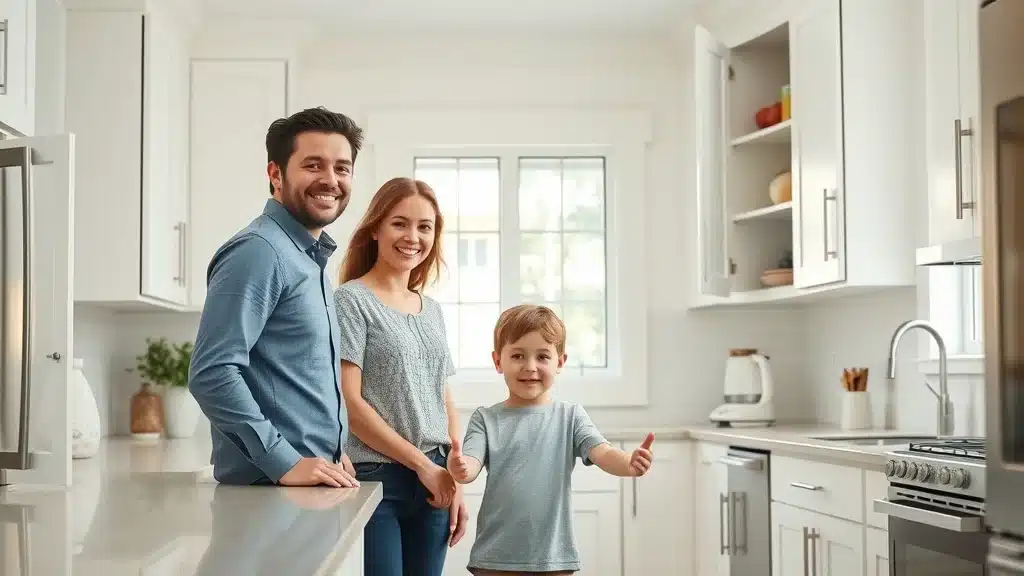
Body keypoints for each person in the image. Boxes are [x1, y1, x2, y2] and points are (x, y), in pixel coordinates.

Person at [189, 106, 364, 487]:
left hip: (307, 486)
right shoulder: (260, 251)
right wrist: (283, 461)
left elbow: (294, 376)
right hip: (269, 492)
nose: (330, 180)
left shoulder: (306, 257)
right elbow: (212, 372)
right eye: (313, 165)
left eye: (342, 168)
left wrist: (332, 450)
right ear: (275, 174)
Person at [446, 304, 656, 575]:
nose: (530, 367)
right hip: (495, 558)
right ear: (498, 361)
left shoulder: (571, 417)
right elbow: (470, 465)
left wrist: (628, 463)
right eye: (518, 355)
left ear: (560, 362)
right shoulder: (485, 419)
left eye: (543, 356)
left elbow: (602, 453)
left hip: (554, 558)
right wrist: (460, 467)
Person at [334, 177, 467, 576]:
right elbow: (350, 404)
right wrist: (422, 467)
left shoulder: (433, 310)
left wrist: (454, 477)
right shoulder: (351, 300)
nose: (413, 236)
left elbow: (442, 397)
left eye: (424, 227)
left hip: (436, 480)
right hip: (378, 481)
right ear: (375, 228)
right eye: (400, 223)